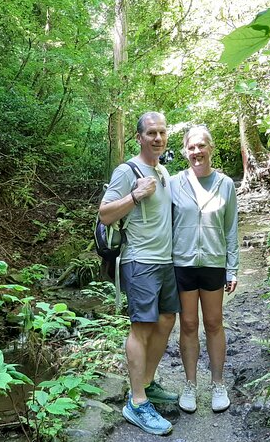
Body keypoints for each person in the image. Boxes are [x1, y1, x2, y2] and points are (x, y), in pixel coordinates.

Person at [98, 111, 180, 435]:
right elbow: (104, 215)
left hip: (165, 261)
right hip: (140, 261)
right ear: (139, 137)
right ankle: (137, 402)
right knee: (142, 327)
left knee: (167, 319)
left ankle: (146, 382)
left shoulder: (163, 170)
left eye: (161, 132)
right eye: (151, 133)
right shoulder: (126, 171)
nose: (157, 138)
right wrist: (134, 196)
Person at [170, 125, 239, 413]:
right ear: (185, 151)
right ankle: (189, 384)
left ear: (210, 147)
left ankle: (218, 383)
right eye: (191, 147)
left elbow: (231, 227)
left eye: (201, 146)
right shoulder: (173, 183)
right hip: (182, 262)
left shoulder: (225, 184)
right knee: (187, 324)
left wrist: (232, 267)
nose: (196, 151)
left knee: (213, 323)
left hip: (213, 261)